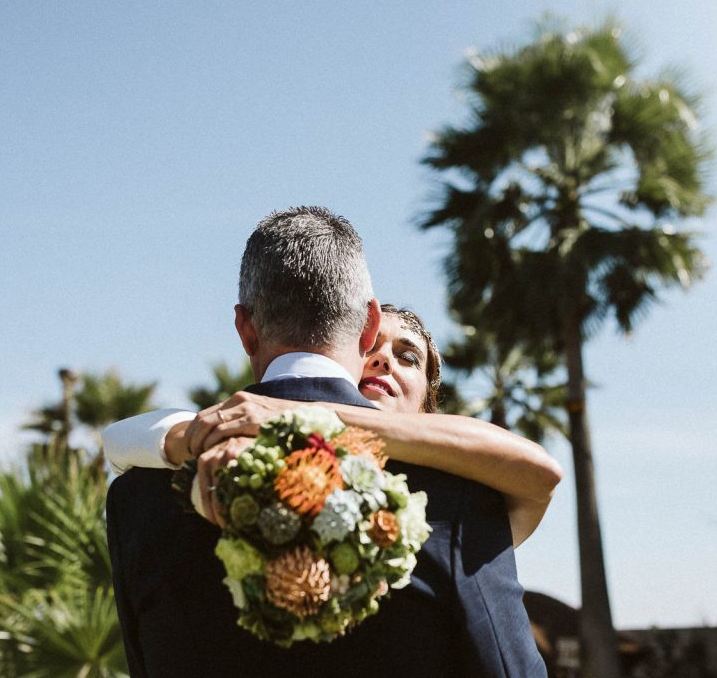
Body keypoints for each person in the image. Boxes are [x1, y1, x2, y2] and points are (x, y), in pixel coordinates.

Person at [105, 206, 548, 677]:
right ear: (368, 325)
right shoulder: (458, 499)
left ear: (245, 329)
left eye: (408, 359)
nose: (385, 367)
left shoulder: (138, 500)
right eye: (380, 352)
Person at [104, 303, 561, 547]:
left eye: (408, 358)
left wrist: (300, 415)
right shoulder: (257, 447)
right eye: (371, 349)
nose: (384, 359)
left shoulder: (466, 493)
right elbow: (119, 440)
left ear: (428, 404)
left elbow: (540, 472)